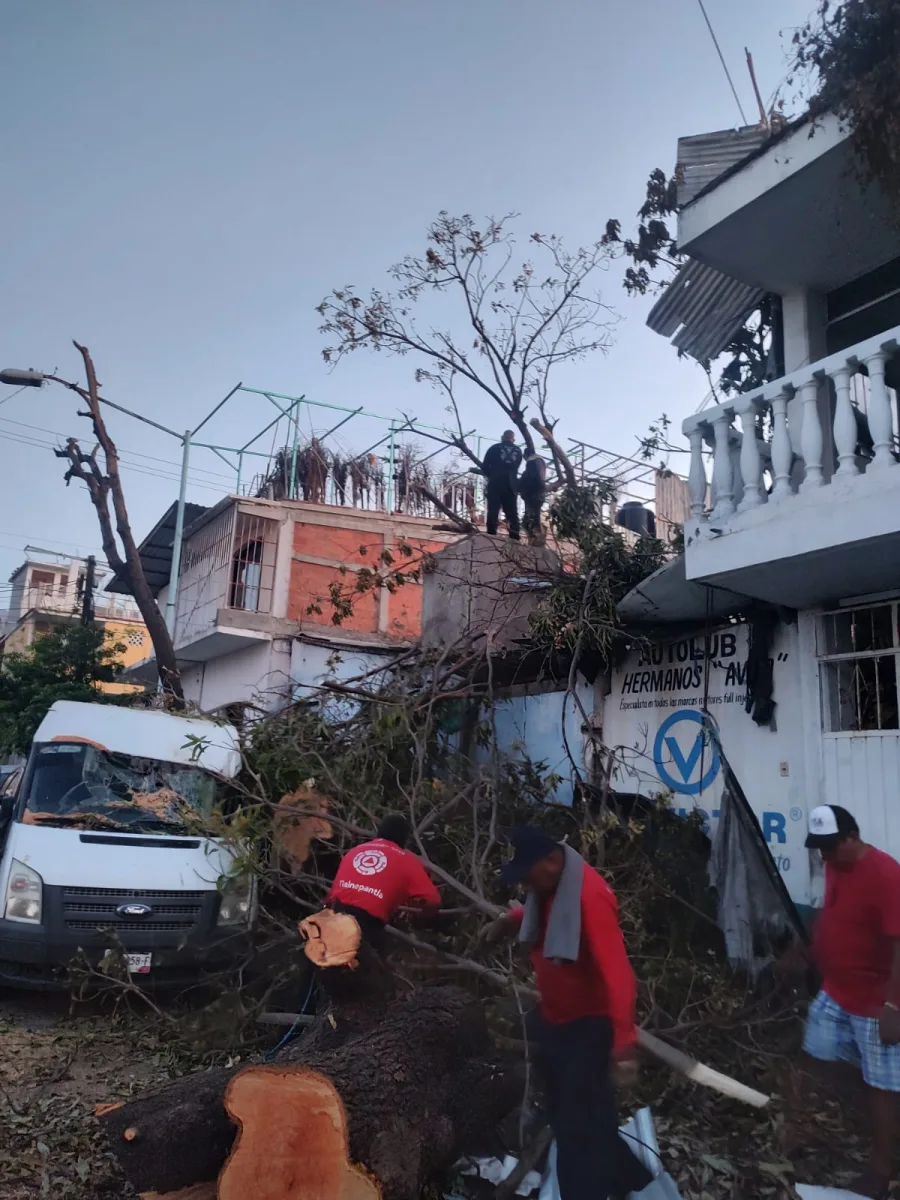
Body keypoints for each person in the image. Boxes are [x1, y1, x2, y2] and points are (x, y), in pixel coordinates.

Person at [483, 827, 652, 1200]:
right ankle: (631, 1179)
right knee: (584, 1111)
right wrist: (513, 919)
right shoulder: (551, 886)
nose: (524, 881)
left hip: (586, 1028)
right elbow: (544, 910)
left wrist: (624, 1045)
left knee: (575, 1127)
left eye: (528, 872)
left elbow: (618, 972)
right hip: (556, 1017)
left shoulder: (590, 897)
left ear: (552, 861)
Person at [801, 804, 900, 1200]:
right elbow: (832, 915)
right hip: (836, 989)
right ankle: (875, 1123)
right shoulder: (833, 865)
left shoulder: (886, 874)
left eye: (828, 847)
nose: (822, 856)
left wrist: (893, 1006)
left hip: (874, 1000)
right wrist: (805, 950)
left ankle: (882, 1166)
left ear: (850, 838)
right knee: (817, 1053)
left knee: (880, 1083)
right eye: (818, 849)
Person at [326, 813, 441, 953]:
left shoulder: (354, 852)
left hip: (332, 914)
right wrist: (424, 916)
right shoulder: (408, 861)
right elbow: (433, 900)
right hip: (366, 923)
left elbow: (331, 893)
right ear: (404, 838)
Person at [481, 430, 522, 539]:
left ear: (502, 437)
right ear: (513, 439)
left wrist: (491, 474)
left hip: (496, 482)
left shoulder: (494, 448)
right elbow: (516, 466)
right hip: (511, 485)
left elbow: (485, 466)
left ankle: (491, 534)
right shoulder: (518, 450)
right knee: (512, 512)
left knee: (493, 510)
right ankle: (514, 535)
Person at [518, 452, 547, 544]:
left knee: (530, 518)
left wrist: (522, 488)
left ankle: (535, 537)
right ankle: (538, 534)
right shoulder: (541, 461)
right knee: (535, 517)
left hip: (532, 494)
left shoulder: (531, 462)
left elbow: (530, 478)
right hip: (539, 494)